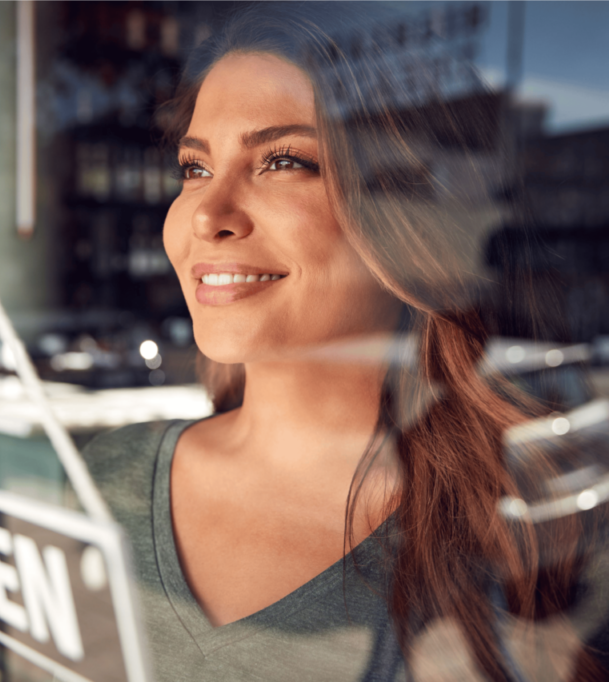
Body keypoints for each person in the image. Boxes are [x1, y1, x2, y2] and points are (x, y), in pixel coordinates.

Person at [81, 3, 609, 680]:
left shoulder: (545, 523)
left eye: (282, 161)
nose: (207, 214)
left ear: (404, 216)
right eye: (194, 168)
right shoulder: (109, 481)